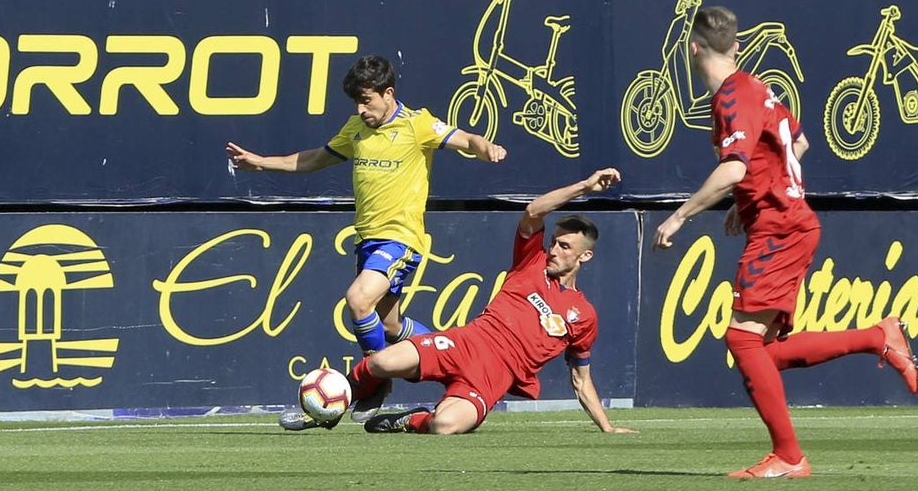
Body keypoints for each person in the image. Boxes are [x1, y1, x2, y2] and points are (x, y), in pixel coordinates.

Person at [652, 4, 918, 479]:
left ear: (692, 47)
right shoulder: (757, 87)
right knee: (764, 350)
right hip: (786, 221)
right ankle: (877, 337)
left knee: (741, 338)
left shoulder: (731, 98)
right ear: (735, 45)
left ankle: (790, 456)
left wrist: (679, 217)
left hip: (780, 227)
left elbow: (735, 165)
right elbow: (797, 144)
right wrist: (749, 197)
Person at [225, 54, 508, 429]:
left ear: (388, 93)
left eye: (367, 100)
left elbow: (464, 137)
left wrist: (484, 146)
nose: (361, 109)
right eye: (357, 102)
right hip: (368, 241)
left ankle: (374, 382)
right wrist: (262, 162)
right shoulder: (356, 128)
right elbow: (315, 158)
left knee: (358, 300)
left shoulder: (417, 124)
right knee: (391, 327)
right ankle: (463, 359)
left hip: (401, 239)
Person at [348, 168, 635, 436]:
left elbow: (581, 379)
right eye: (554, 242)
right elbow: (534, 211)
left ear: (585, 256)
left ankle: (411, 420)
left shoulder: (583, 315)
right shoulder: (531, 262)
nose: (554, 250)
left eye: (565, 246)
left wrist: (606, 427)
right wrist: (585, 186)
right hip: (469, 342)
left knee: (444, 426)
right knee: (381, 362)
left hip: (494, 377)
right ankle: (338, 398)